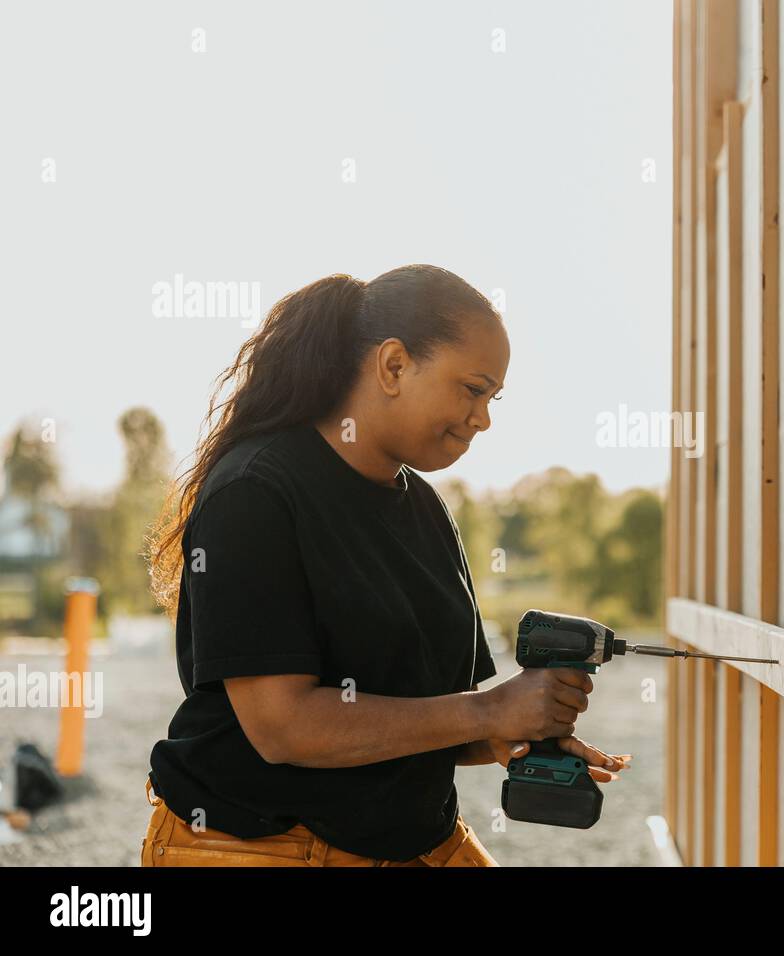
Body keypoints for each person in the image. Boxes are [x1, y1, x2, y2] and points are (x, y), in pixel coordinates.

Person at [139, 264, 630, 867]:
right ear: (393, 365)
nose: (483, 418)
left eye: (492, 397)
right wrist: (488, 709)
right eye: (472, 389)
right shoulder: (256, 493)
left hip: (414, 843)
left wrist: (505, 731)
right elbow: (283, 727)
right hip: (262, 844)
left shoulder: (424, 508)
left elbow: (424, 716)